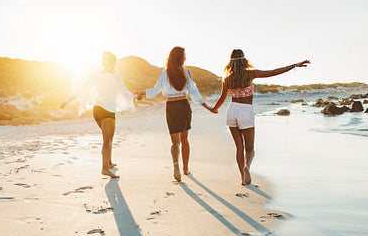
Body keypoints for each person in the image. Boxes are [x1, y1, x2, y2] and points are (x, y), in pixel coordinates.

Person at [212, 49, 310, 185]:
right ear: (244, 60)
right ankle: (247, 167)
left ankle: (242, 178)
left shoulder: (227, 79)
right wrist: (294, 65)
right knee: (250, 148)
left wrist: (213, 109)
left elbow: (222, 99)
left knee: (239, 147)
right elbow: (273, 72)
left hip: (232, 110)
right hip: (246, 111)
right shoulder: (251, 74)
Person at [137, 46, 216, 182]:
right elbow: (194, 92)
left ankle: (176, 166)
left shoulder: (164, 74)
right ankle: (186, 169)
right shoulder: (187, 73)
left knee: (175, 142)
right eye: (184, 55)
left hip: (171, 107)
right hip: (183, 106)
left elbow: (155, 91)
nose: (186, 58)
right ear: (179, 57)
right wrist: (207, 106)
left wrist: (142, 93)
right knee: (184, 139)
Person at [61, 52, 136, 178]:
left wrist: (67, 101)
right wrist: (135, 97)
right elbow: (124, 91)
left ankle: (109, 162)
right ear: (113, 62)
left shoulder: (95, 76)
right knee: (107, 139)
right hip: (107, 110)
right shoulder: (115, 75)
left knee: (107, 138)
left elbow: (82, 90)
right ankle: (105, 168)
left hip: (97, 110)